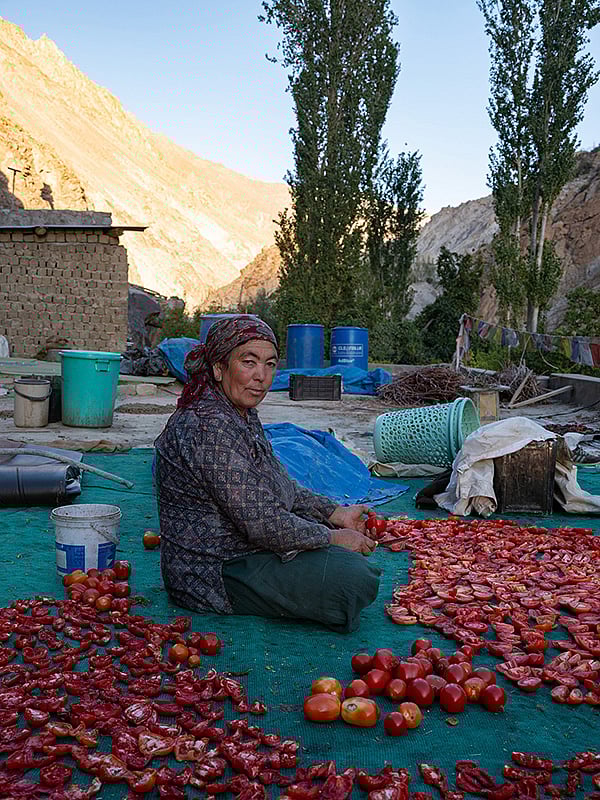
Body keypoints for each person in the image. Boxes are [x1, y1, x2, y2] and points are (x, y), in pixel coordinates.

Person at [154, 315, 380, 633]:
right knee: (353, 579)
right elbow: (262, 524)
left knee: (338, 553)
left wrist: (334, 512)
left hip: (242, 547)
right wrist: (331, 536)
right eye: (249, 362)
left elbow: (279, 485)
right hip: (211, 570)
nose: (261, 376)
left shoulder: (238, 413)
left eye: (270, 364)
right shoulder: (209, 426)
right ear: (219, 368)